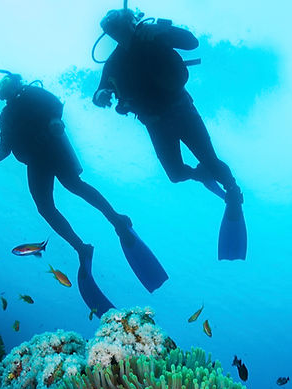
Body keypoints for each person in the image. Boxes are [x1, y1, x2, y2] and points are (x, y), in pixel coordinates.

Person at [0, 71, 167, 315]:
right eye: (1, 87)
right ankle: (82, 247)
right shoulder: (7, 115)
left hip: (53, 146)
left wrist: (54, 120)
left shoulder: (32, 92)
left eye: (6, 84)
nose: (3, 89)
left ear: (15, 82)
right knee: (46, 206)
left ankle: (116, 220)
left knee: (75, 185)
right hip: (36, 161)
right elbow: (5, 148)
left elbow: (56, 105)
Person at [93, 9, 247, 260]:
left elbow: (192, 42)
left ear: (131, 23)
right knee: (175, 175)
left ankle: (232, 191)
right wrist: (100, 97)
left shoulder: (154, 36)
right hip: (156, 124)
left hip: (182, 111)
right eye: (113, 32)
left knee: (211, 159)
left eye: (120, 28)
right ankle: (202, 175)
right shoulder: (113, 63)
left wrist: (163, 30)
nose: (119, 34)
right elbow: (100, 90)